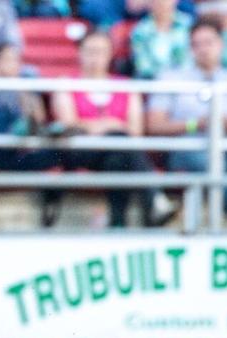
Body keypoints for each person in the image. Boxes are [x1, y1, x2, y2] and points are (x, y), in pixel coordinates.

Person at [148, 19, 227, 222]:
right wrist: (196, 124)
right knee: (205, 155)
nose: (203, 49)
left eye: (209, 42)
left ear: (221, 44)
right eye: (197, 44)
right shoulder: (170, 77)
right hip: (189, 148)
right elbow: (153, 124)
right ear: (190, 48)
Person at [51, 31, 164, 228]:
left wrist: (97, 126)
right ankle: (154, 198)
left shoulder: (126, 86)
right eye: (90, 51)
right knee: (119, 140)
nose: (95, 57)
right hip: (81, 151)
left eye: (101, 51)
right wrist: (112, 124)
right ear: (80, 53)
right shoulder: (66, 83)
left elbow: (136, 131)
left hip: (115, 153)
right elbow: (69, 124)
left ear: (110, 54)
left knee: (118, 159)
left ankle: (118, 223)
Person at [132, 0, 195, 79]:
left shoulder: (189, 25)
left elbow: (192, 58)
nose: (161, 2)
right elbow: (143, 66)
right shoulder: (140, 31)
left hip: (187, 80)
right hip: (152, 84)